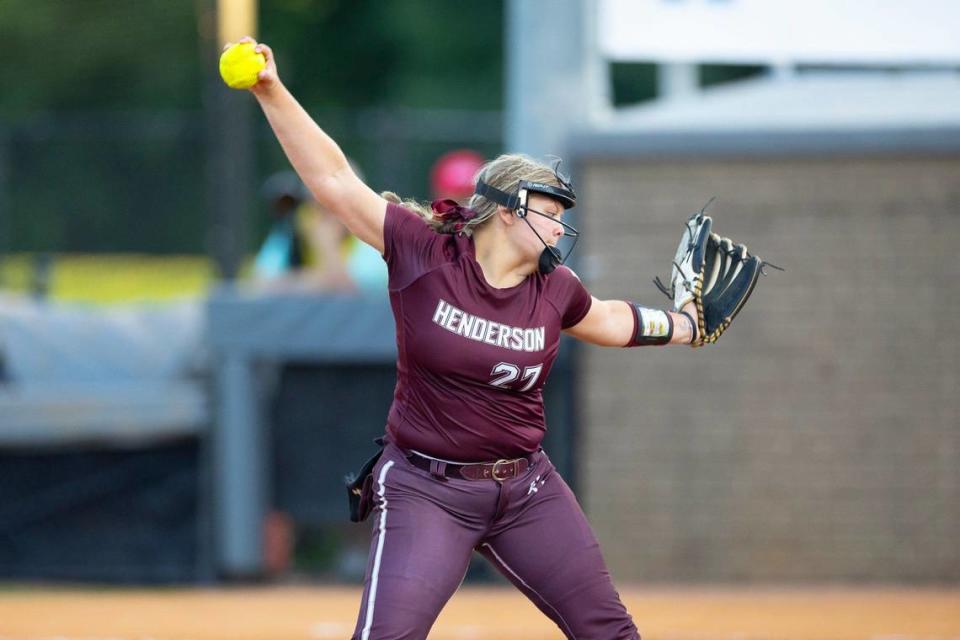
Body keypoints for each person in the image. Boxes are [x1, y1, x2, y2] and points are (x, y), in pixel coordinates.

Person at [237, 36, 701, 639]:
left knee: (610, 632)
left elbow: (611, 321)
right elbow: (331, 178)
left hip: (528, 488)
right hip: (428, 490)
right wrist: (271, 91)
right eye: (550, 208)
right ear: (506, 211)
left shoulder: (555, 287)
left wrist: (687, 326)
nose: (561, 224)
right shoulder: (425, 253)